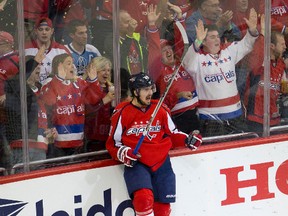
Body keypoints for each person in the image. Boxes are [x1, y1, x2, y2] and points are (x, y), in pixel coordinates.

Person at [106, 72, 202, 216]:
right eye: (146, 89)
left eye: (151, 88)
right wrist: (124, 153)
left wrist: (188, 139)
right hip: (137, 162)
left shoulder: (160, 109)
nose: (150, 93)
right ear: (135, 92)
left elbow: (173, 133)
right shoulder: (122, 112)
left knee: (163, 208)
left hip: (161, 162)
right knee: (143, 200)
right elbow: (113, 144)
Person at [182, 8, 259, 137]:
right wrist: (197, 42)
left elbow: (246, 45)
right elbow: (187, 63)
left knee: (239, 148)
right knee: (212, 153)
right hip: (209, 117)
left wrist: (252, 30)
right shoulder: (198, 57)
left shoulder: (227, 51)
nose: (217, 40)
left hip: (235, 113)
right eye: (212, 37)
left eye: (218, 36)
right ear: (204, 41)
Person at [39, 53, 105, 157]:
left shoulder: (78, 82)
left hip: (79, 140)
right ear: (59, 66)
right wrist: (59, 79)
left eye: (72, 63)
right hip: (56, 142)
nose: (72, 66)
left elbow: (93, 99)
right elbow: (48, 101)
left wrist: (93, 81)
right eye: (68, 63)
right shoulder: (50, 82)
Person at [245, 26, 287, 134]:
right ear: (272, 46)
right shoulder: (260, 63)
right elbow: (257, 53)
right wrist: (263, 33)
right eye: (282, 44)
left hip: (274, 115)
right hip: (256, 116)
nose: (285, 47)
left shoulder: (281, 64)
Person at [25, 17, 70, 85]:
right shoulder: (25, 50)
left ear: (52, 31)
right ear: (35, 31)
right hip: (32, 92)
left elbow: (70, 73)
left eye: (47, 29)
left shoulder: (62, 50)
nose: (44, 32)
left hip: (56, 92)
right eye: (40, 29)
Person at [84, 56, 115, 152]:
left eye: (108, 70)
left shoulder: (111, 88)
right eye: (103, 70)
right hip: (92, 138)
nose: (106, 73)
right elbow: (86, 113)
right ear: (95, 71)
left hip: (109, 136)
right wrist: (104, 100)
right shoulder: (86, 87)